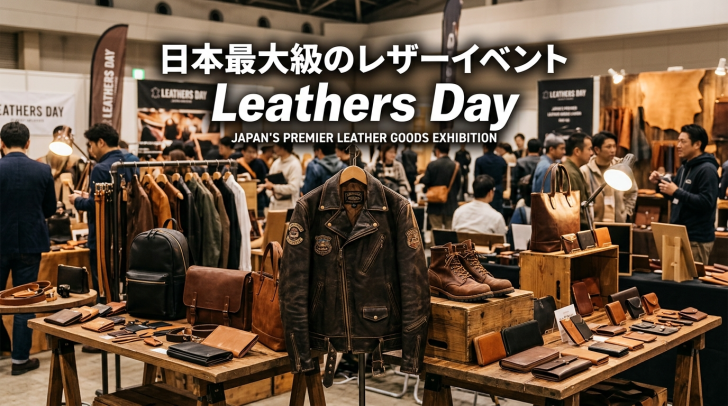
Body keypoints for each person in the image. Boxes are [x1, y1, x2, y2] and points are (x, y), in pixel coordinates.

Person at [0, 122, 56, 375]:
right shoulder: (42, 169)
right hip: (31, 242)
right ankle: (20, 360)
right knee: (25, 303)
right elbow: (50, 209)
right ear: (28, 143)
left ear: (1, 143)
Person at [69, 124, 134, 298]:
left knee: (103, 287)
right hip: (125, 234)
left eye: (91, 145)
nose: (91, 150)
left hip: (102, 236)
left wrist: (77, 200)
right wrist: (89, 195)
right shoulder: (129, 163)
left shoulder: (101, 168)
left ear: (101, 142)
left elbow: (94, 205)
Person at [649, 124, 719, 263]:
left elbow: (706, 203)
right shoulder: (684, 167)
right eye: (678, 141)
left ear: (697, 144)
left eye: (683, 141)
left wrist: (676, 191)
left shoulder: (707, 170)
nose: (678, 145)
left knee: (691, 277)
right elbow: (676, 195)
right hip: (677, 235)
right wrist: (659, 183)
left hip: (696, 240)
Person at [581, 132, 637, 223]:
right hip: (594, 222)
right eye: (608, 147)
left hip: (618, 222)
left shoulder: (622, 168)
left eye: (614, 146)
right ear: (597, 149)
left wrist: (626, 213)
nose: (613, 150)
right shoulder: (585, 171)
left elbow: (632, 191)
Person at [420, 143, 460, 229]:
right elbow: (458, 186)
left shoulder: (432, 165)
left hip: (434, 205)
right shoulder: (456, 166)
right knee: (450, 232)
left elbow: (426, 181)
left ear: (437, 151)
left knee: (436, 231)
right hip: (450, 204)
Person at [561, 132, 592, 229]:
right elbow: (571, 209)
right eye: (589, 149)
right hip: (575, 229)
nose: (591, 153)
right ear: (577, 151)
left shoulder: (574, 170)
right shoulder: (569, 173)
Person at [264, 142, 302, 210]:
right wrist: (269, 190)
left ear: (283, 148)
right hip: (274, 205)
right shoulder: (276, 163)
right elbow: (268, 184)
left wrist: (274, 187)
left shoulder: (294, 164)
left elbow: (293, 188)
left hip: (289, 206)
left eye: (276, 146)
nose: (274, 149)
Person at [236, 143, 269, 216]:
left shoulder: (260, 163)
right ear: (243, 152)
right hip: (243, 197)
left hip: (258, 197)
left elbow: (264, 180)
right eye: (249, 152)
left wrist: (259, 189)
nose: (251, 154)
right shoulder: (238, 164)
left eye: (254, 152)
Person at [474, 142, 507, 213]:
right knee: (497, 213)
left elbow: (477, 178)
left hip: (483, 192)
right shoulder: (501, 160)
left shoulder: (479, 160)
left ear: (485, 147)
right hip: (497, 191)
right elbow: (504, 173)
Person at [511, 138, 542, 205]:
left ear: (527, 149)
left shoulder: (520, 162)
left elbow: (514, 183)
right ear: (540, 149)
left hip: (522, 197)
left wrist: (513, 201)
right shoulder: (543, 163)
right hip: (540, 198)